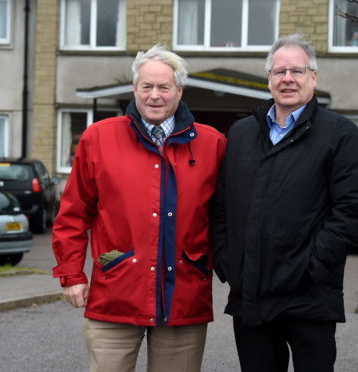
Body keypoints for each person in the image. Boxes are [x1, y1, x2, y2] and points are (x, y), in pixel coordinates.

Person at [52, 44, 227, 372]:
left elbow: (225, 217)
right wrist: (71, 274)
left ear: (179, 91)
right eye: (147, 86)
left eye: (164, 87)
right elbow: (74, 213)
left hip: (184, 298)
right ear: (135, 89)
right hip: (115, 291)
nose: (155, 96)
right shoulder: (98, 139)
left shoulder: (212, 143)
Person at [210, 33, 358, 372]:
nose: (287, 79)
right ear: (269, 79)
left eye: (297, 71)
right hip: (251, 297)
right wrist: (229, 263)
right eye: (279, 71)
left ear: (313, 78)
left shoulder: (340, 134)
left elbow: (354, 212)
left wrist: (308, 267)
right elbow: (221, 205)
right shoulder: (241, 134)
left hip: (309, 298)